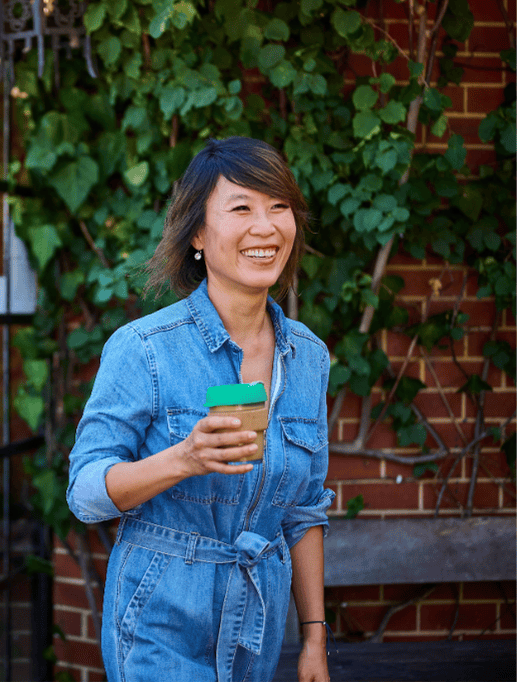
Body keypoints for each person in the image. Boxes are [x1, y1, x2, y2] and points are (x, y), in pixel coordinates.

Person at [67, 137, 334, 682]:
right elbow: (86, 493)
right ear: (197, 233)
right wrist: (184, 458)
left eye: (278, 207)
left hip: (257, 626)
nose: (266, 227)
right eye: (242, 208)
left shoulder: (308, 356)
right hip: (159, 618)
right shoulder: (145, 348)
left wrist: (313, 640)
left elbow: (303, 512)